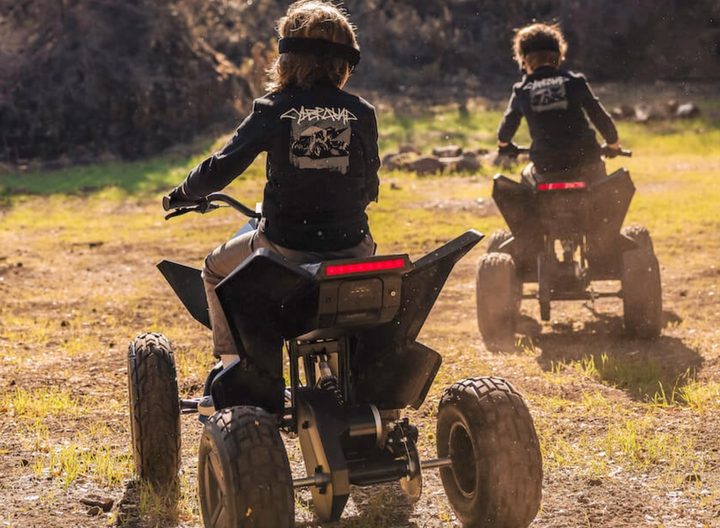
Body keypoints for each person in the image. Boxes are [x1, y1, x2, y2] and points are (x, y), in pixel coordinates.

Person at [166, 0, 380, 414]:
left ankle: (234, 373)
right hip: (354, 246)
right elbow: (370, 185)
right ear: (345, 60)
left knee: (212, 269)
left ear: (288, 56)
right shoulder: (362, 112)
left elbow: (219, 169)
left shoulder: (274, 109)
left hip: (285, 249)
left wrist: (183, 192)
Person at [497, 22, 622, 186]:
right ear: (559, 55)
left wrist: (504, 146)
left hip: (547, 167)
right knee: (600, 187)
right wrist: (613, 145)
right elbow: (599, 117)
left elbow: (506, 130)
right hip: (587, 162)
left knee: (527, 179)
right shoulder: (575, 82)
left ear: (524, 60)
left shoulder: (523, 90)